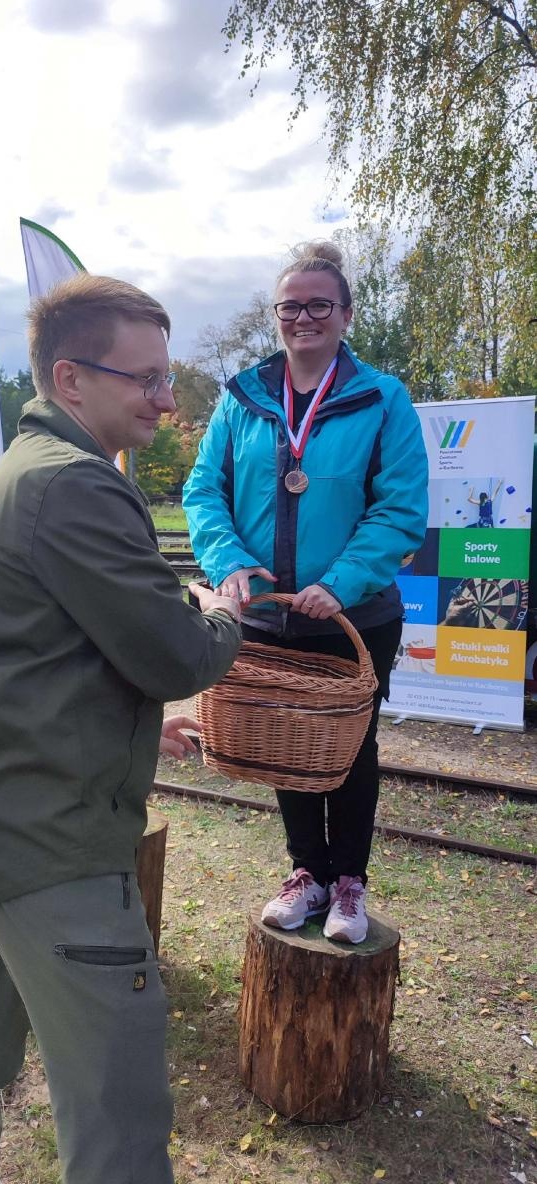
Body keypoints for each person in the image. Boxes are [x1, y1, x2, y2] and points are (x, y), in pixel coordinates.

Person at [0, 274, 242, 1184]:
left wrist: (142, 727)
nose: (165, 399)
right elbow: (177, 653)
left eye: (164, 375)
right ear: (71, 379)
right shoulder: (77, 489)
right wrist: (222, 611)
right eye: (142, 378)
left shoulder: (16, 476)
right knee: (119, 1103)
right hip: (57, 848)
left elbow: (41, 658)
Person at [183, 240, 428, 945]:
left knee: (350, 747)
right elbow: (205, 490)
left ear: (346, 314)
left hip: (352, 616)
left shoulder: (382, 399)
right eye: (291, 305)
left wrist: (338, 584)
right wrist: (228, 560)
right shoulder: (242, 397)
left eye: (320, 304)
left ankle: (348, 881)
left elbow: (400, 507)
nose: (304, 317)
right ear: (277, 316)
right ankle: (305, 873)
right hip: (265, 612)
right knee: (285, 743)